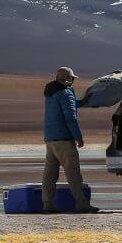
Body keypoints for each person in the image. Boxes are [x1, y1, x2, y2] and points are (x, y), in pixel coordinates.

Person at [42, 66, 99, 214]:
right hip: (64, 139)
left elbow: (67, 106)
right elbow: (70, 118)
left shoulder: (51, 92)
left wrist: (81, 102)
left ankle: (47, 204)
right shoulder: (65, 93)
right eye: (72, 79)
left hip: (50, 139)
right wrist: (78, 137)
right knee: (73, 172)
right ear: (68, 79)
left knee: (50, 174)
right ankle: (81, 204)